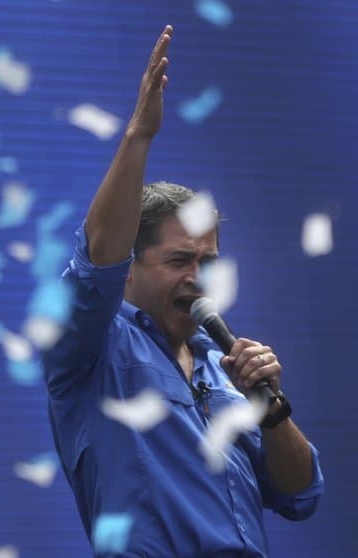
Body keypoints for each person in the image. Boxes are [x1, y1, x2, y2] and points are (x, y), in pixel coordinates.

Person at [42, 25, 324, 557]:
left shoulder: (224, 368)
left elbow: (299, 494)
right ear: (130, 267)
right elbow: (98, 257)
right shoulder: (90, 349)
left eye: (206, 262)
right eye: (178, 260)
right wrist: (138, 137)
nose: (197, 277)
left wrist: (271, 410)